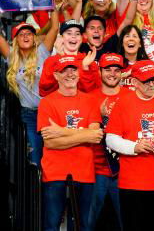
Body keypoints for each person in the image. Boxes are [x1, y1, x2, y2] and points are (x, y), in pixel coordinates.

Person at [105, 60, 154, 231]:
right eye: (146, 81)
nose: (151, 84)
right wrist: (134, 147)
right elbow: (110, 138)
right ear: (134, 82)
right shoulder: (123, 103)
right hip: (132, 182)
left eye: (153, 80)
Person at [37, 55, 104, 231]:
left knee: (83, 226)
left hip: (85, 173)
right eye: (64, 70)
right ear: (56, 75)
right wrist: (83, 135)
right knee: (51, 225)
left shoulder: (90, 101)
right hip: (55, 173)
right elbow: (50, 143)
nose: (69, 74)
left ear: (79, 73)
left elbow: (96, 136)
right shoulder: (46, 103)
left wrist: (61, 131)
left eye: (73, 69)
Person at [0, 15, 58, 166]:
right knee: (33, 157)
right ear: (16, 40)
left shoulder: (43, 51)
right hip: (29, 115)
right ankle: (38, 187)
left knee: (53, 154)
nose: (25, 36)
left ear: (34, 38)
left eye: (29, 34)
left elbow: (55, 28)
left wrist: (54, 8)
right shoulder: (12, 56)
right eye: (21, 34)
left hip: (49, 112)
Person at [87, 53, 130, 231]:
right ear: (100, 71)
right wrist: (100, 117)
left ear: (122, 73)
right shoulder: (88, 97)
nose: (112, 73)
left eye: (116, 70)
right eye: (108, 69)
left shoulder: (131, 97)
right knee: (87, 221)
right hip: (95, 169)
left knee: (127, 222)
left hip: (126, 169)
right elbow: (83, 133)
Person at [39, 19, 100, 97]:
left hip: (83, 108)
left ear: (81, 38)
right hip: (59, 108)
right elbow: (44, 92)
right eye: (69, 33)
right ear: (61, 37)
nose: (73, 36)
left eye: (77, 34)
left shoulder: (89, 61)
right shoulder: (51, 61)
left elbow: (94, 93)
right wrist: (59, 59)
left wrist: (85, 68)